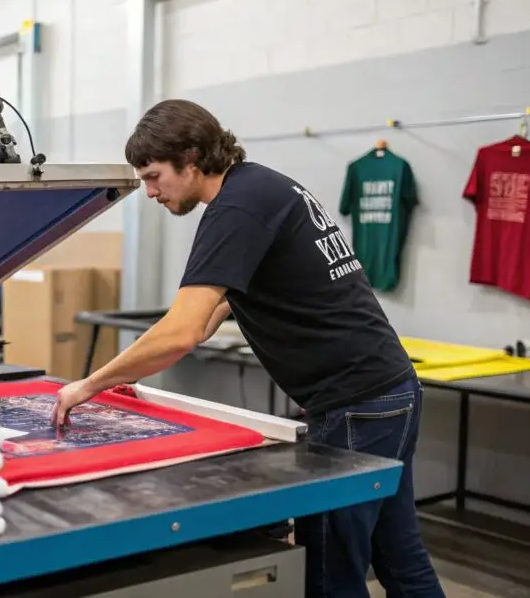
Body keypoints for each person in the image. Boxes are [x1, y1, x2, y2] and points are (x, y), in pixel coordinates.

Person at [51, 99, 445, 598]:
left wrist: (89, 384)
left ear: (191, 159)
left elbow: (183, 331)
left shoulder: (236, 208)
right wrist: (149, 363)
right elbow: (216, 308)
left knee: (329, 572)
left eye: (153, 176)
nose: (149, 192)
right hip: (389, 392)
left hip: (357, 405)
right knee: (397, 553)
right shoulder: (260, 185)